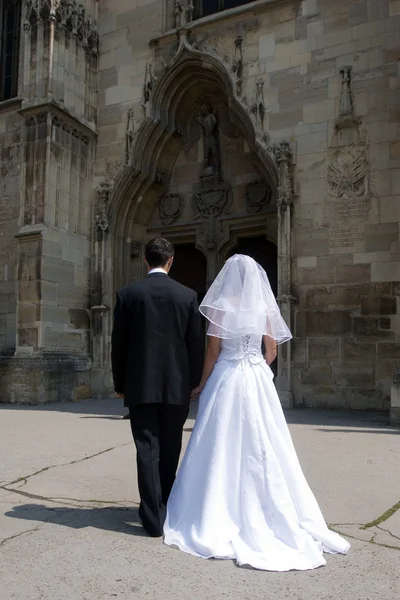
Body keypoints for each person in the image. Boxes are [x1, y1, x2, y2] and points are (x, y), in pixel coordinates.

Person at [164, 254, 350, 571]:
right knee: (267, 441)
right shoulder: (262, 309)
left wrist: (202, 383)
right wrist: (258, 369)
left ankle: (214, 506)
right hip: (255, 377)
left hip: (227, 376)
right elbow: (272, 349)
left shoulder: (222, 307)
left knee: (221, 441)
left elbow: (212, 352)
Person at [111, 237, 204, 538]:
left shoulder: (128, 294)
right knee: (171, 446)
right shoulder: (187, 296)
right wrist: (193, 383)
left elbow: (119, 344)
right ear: (171, 260)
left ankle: (152, 518)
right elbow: (195, 345)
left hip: (140, 386)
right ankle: (167, 505)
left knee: (147, 449)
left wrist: (120, 382)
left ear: (145, 260)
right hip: (176, 386)